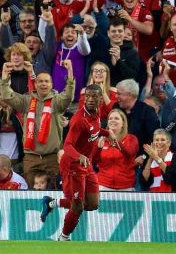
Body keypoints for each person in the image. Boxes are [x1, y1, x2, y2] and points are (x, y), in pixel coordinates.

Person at [39, 83, 119, 241]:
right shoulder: (78, 120)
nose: (90, 99)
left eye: (94, 96)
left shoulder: (96, 114)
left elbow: (94, 130)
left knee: (93, 204)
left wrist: (107, 132)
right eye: (87, 96)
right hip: (72, 166)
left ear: (100, 100)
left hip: (86, 165)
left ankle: (51, 204)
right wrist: (79, 156)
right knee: (77, 206)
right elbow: (67, 145)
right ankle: (64, 237)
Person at [0, 60, 74, 188]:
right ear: (35, 83)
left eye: (47, 81)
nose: (43, 84)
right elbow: (7, 96)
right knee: (31, 195)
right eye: (40, 81)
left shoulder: (57, 101)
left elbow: (68, 97)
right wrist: (5, 77)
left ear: (51, 84)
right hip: (31, 158)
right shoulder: (26, 100)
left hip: (52, 158)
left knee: (54, 193)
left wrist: (70, 73)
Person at [95, 109, 139, 191]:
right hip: (103, 184)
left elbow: (130, 153)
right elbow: (94, 161)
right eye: (110, 118)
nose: (113, 120)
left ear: (123, 123)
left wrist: (116, 142)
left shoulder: (131, 139)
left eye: (116, 118)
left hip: (126, 186)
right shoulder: (102, 140)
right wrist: (98, 149)